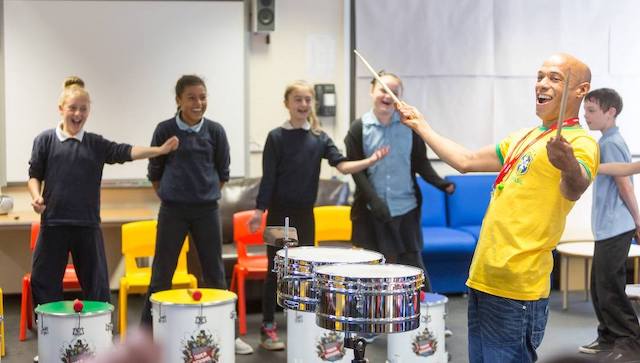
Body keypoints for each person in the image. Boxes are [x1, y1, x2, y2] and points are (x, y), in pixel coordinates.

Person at [397, 53, 599, 363]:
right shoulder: (525, 136)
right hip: (483, 277)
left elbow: (574, 187)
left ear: (580, 90)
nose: (542, 84)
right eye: (540, 76)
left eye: (555, 78)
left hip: (518, 286)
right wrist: (421, 125)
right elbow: (466, 161)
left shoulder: (581, 142)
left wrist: (568, 163)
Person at [247, 80, 389, 351]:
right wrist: (258, 212)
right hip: (279, 216)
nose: (303, 105)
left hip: (304, 216)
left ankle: (307, 328)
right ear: (287, 103)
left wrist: (369, 162)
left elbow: (343, 165)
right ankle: (268, 329)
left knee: (308, 274)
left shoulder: (319, 137)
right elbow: (268, 179)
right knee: (274, 272)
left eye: (307, 100)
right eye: (297, 99)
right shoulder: (276, 137)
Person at [28, 76, 179, 313]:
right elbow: (34, 175)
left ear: (88, 111)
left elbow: (126, 151)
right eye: (72, 108)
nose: (78, 114)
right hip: (53, 224)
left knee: (97, 289)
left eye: (83, 109)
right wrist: (36, 196)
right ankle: (50, 345)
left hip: (87, 225)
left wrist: (158, 150)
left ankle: (99, 343)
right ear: (61, 109)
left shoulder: (95, 144)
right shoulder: (45, 140)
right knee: (43, 285)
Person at [139, 75, 252, 354]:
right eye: (191, 97)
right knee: (161, 275)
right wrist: (172, 195)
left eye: (202, 97)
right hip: (173, 212)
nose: (198, 103)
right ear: (178, 100)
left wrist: (203, 194)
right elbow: (155, 173)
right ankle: (144, 338)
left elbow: (222, 173)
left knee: (215, 275)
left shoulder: (215, 131)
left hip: (206, 211)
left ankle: (228, 333)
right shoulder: (164, 129)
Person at [344, 71, 454, 294]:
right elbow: (357, 172)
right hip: (371, 211)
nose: (388, 96)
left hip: (406, 208)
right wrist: (375, 201)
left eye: (394, 92)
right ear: (372, 91)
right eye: (383, 90)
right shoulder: (358, 128)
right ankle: (372, 323)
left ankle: (429, 318)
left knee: (414, 267)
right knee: (373, 271)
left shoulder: (410, 127)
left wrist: (441, 183)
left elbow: (421, 163)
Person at [579, 88, 640, 361]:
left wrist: (638, 220)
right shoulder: (604, 141)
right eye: (585, 110)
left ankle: (628, 341)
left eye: (592, 111)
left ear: (610, 112)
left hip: (617, 226)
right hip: (607, 226)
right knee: (599, 286)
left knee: (610, 288)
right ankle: (607, 337)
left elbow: (624, 184)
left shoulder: (610, 143)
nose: (586, 115)